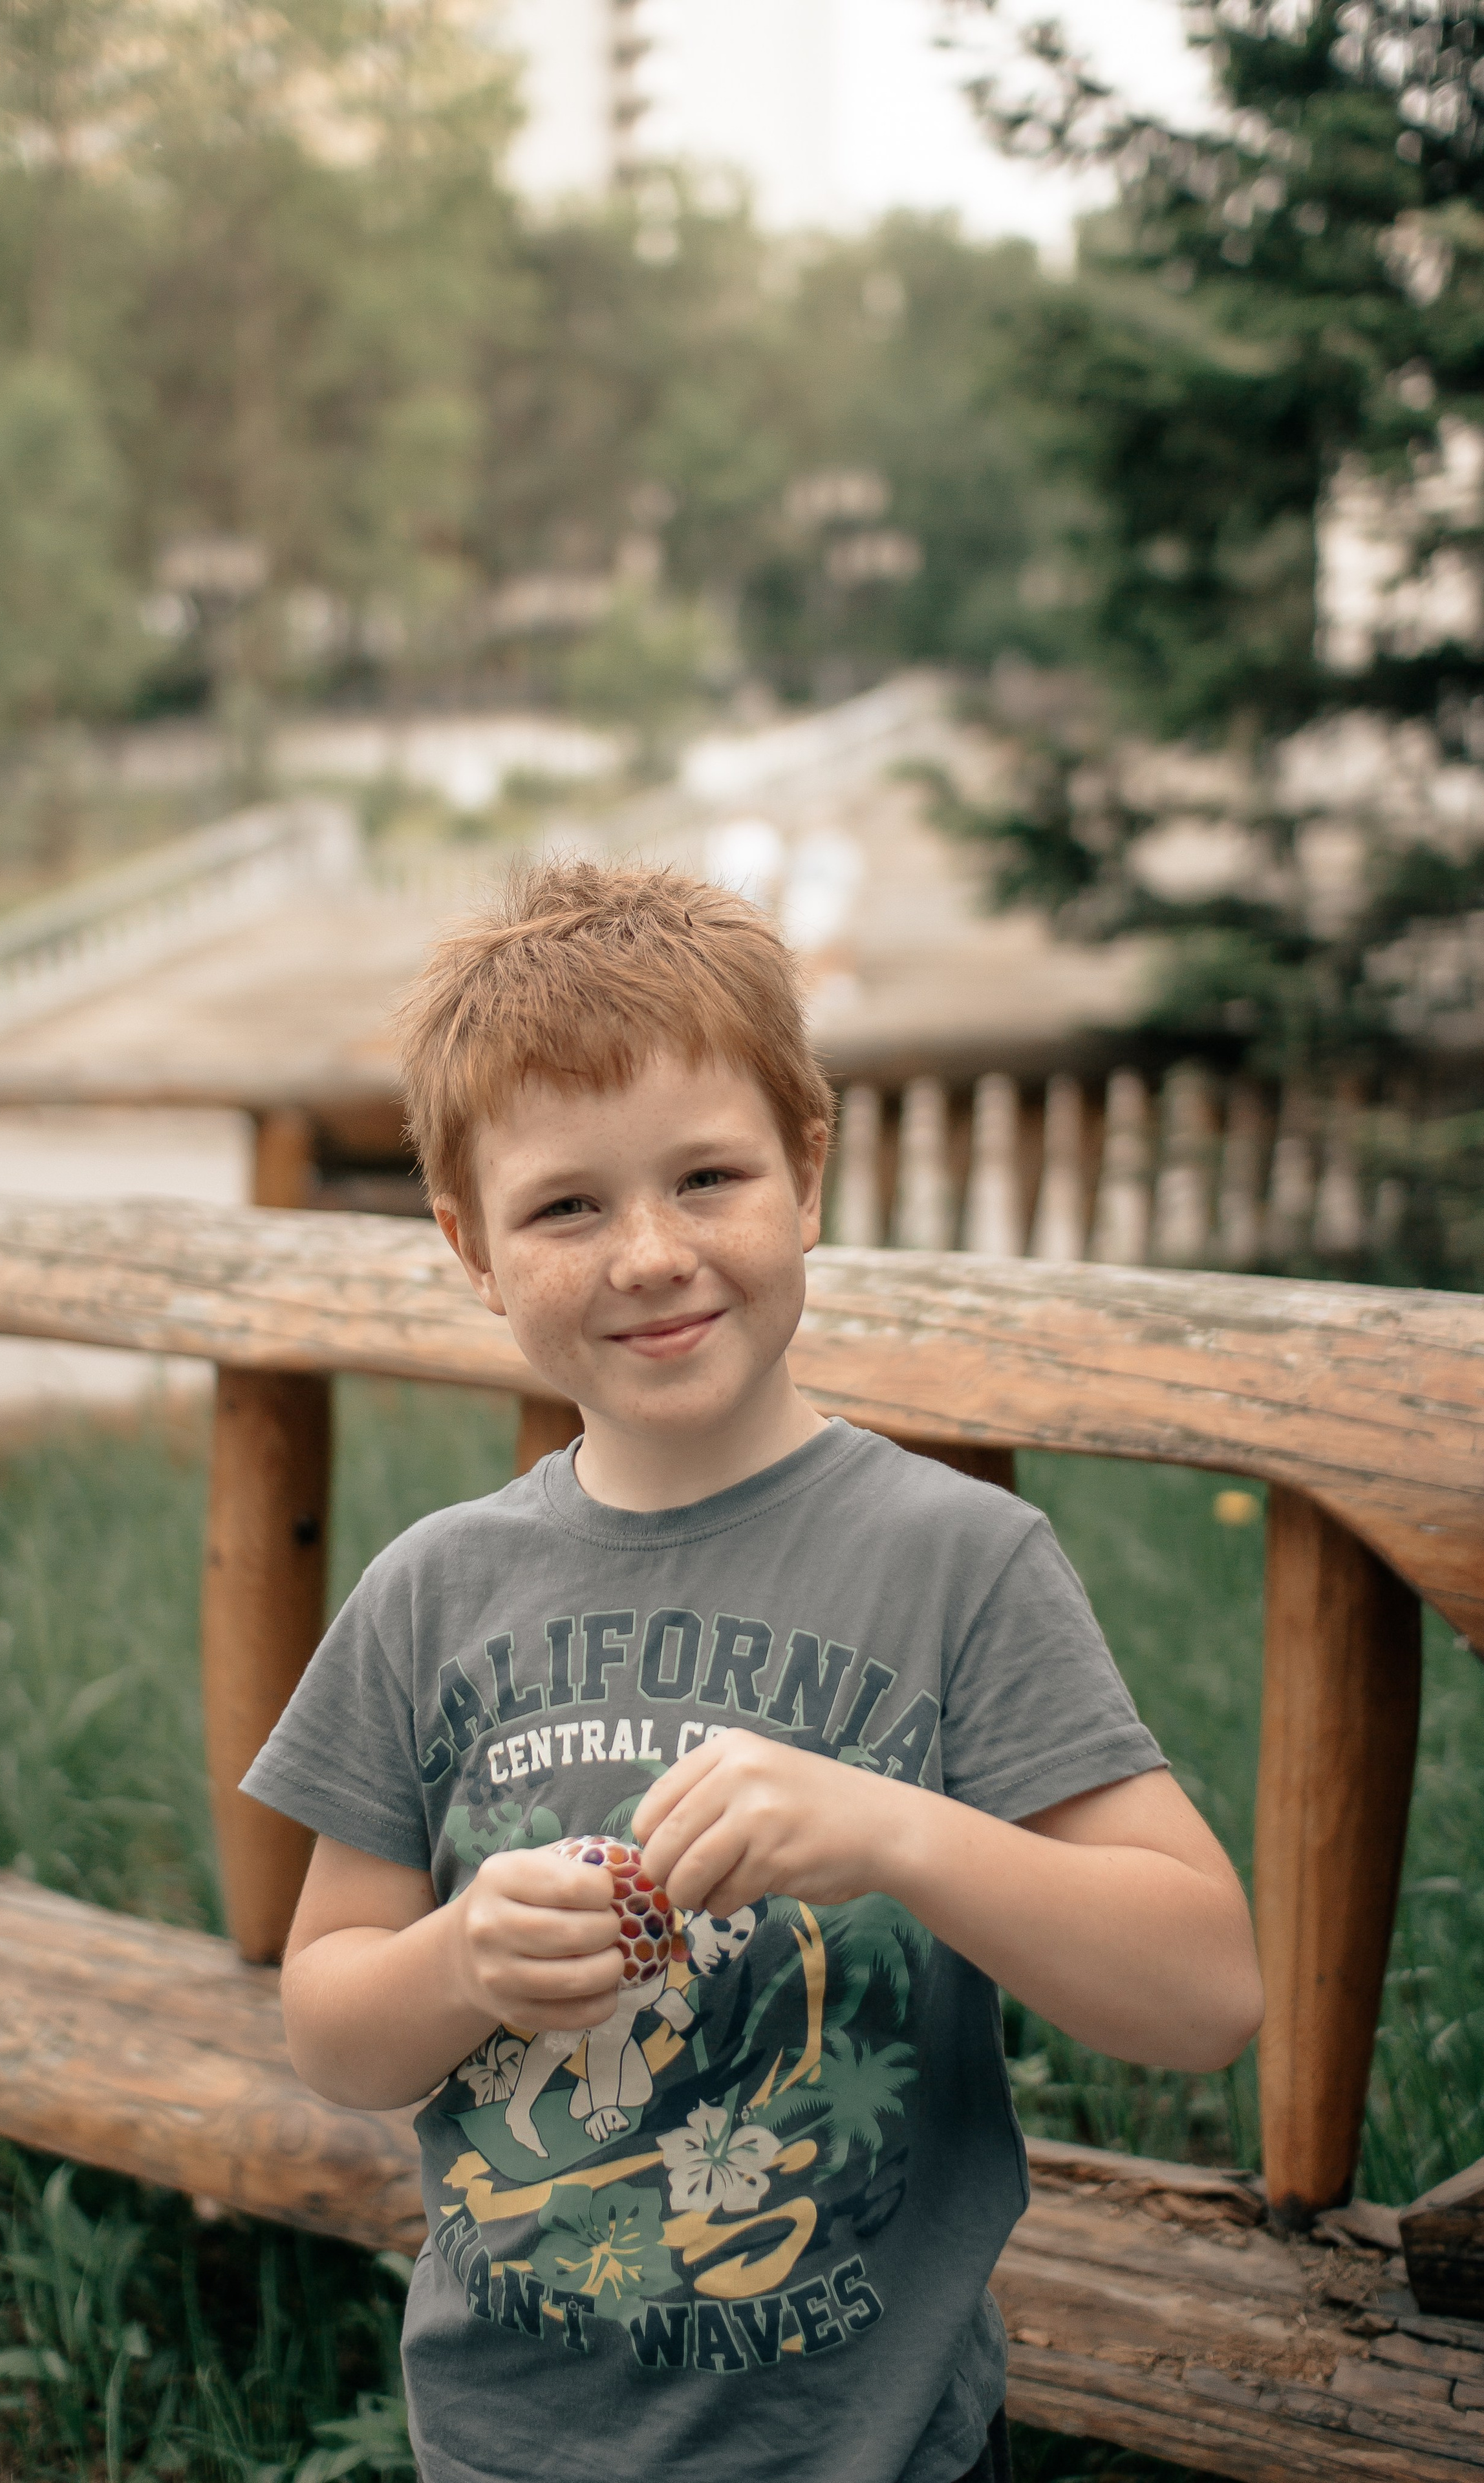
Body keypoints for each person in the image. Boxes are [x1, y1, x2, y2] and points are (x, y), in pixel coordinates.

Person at [243, 859, 1264, 2483]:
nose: (648, 1253)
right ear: (470, 1246)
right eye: (566, 1205)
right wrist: (461, 1964)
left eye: (705, 1177)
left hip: (869, 2453)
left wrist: (896, 1833)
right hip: (506, 2448)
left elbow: (1207, 1992)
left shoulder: (960, 1564)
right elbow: (333, 2028)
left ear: (806, 1173)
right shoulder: (427, 1592)